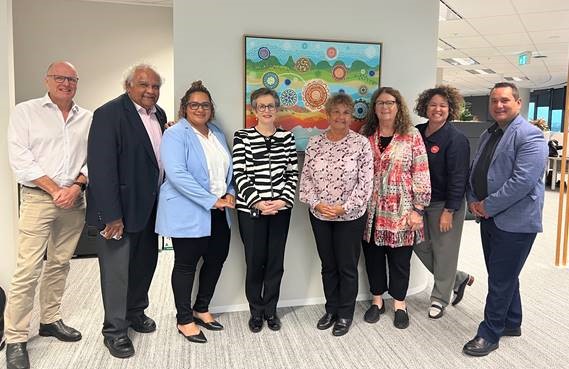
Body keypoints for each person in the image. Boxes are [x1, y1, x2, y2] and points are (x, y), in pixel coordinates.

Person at [5, 61, 91, 369]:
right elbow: (21, 159)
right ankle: (15, 337)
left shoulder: (88, 118)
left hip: (74, 200)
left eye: (72, 79)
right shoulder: (25, 112)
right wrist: (57, 190)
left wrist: (77, 187)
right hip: (39, 199)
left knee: (60, 263)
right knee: (27, 270)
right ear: (47, 80)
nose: (66, 83)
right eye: (60, 78)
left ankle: (50, 320)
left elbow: (93, 158)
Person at [87, 64, 166, 359]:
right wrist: (111, 215)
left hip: (150, 207)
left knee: (145, 265)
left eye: (156, 86)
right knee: (117, 273)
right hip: (119, 212)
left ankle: (136, 313)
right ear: (128, 86)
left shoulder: (158, 114)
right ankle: (115, 331)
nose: (150, 91)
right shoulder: (108, 114)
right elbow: (101, 168)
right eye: (144, 85)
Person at [463, 82, 547, 356]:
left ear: (518, 103)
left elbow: (522, 182)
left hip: (515, 221)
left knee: (500, 278)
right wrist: (474, 200)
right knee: (504, 274)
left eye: (505, 100)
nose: (499, 105)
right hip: (489, 217)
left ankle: (490, 333)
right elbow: (479, 169)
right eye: (494, 100)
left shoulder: (530, 136)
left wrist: (487, 205)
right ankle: (512, 321)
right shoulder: (491, 133)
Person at [155, 81, 234, 344]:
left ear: (211, 108)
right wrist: (211, 200)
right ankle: (184, 319)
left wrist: (230, 192)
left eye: (205, 104)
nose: (200, 108)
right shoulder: (175, 134)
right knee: (186, 265)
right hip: (189, 210)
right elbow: (177, 174)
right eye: (194, 104)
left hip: (220, 210)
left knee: (216, 259)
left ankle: (202, 308)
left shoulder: (217, 133)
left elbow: (227, 169)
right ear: (184, 108)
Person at [299, 93, 373, 336]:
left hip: (350, 217)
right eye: (336, 112)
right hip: (320, 215)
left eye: (346, 113)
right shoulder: (315, 143)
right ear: (328, 114)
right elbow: (306, 179)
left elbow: (366, 183)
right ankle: (331, 309)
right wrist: (317, 204)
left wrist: (344, 207)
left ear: (352, 116)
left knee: (347, 266)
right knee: (328, 265)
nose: (341, 117)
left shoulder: (361, 144)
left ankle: (345, 313)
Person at [360, 87, 431, 329]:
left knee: (400, 260)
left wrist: (418, 209)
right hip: (371, 210)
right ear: (374, 107)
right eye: (380, 103)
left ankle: (399, 303)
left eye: (390, 102)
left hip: (403, 209)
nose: (385, 107)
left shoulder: (411, 135)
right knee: (374, 258)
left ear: (398, 106)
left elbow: (421, 172)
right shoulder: (366, 135)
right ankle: (377, 300)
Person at [233, 87, 298, 333]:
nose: (267, 110)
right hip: (251, 210)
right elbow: (239, 173)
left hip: (281, 210)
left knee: (275, 262)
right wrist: (257, 202)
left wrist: (282, 201)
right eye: (262, 106)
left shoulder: (287, 138)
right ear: (254, 110)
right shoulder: (242, 136)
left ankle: (271, 310)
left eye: (271, 106)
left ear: (277, 108)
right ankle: (256, 311)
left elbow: (292, 173)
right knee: (255, 261)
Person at [413, 85, 474, 319]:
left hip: (445, 204)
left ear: (450, 109)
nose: (437, 109)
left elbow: (459, 177)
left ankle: (439, 298)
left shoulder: (455, 139)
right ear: (425, 107)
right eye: (433, 105)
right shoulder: (417, 133)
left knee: (444, 251)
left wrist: (450, 210)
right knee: (419, 244)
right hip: (420, 204)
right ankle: (457, 278)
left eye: (443, 106)